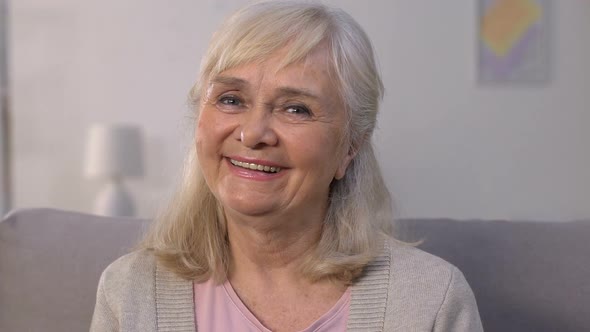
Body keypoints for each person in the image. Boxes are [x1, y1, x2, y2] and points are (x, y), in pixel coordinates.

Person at [90, 1, 483, 331]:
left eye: (296, 108)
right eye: (230, 99)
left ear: (350, 148)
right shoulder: (129, 292)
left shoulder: (432, 300)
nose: (253, 133)